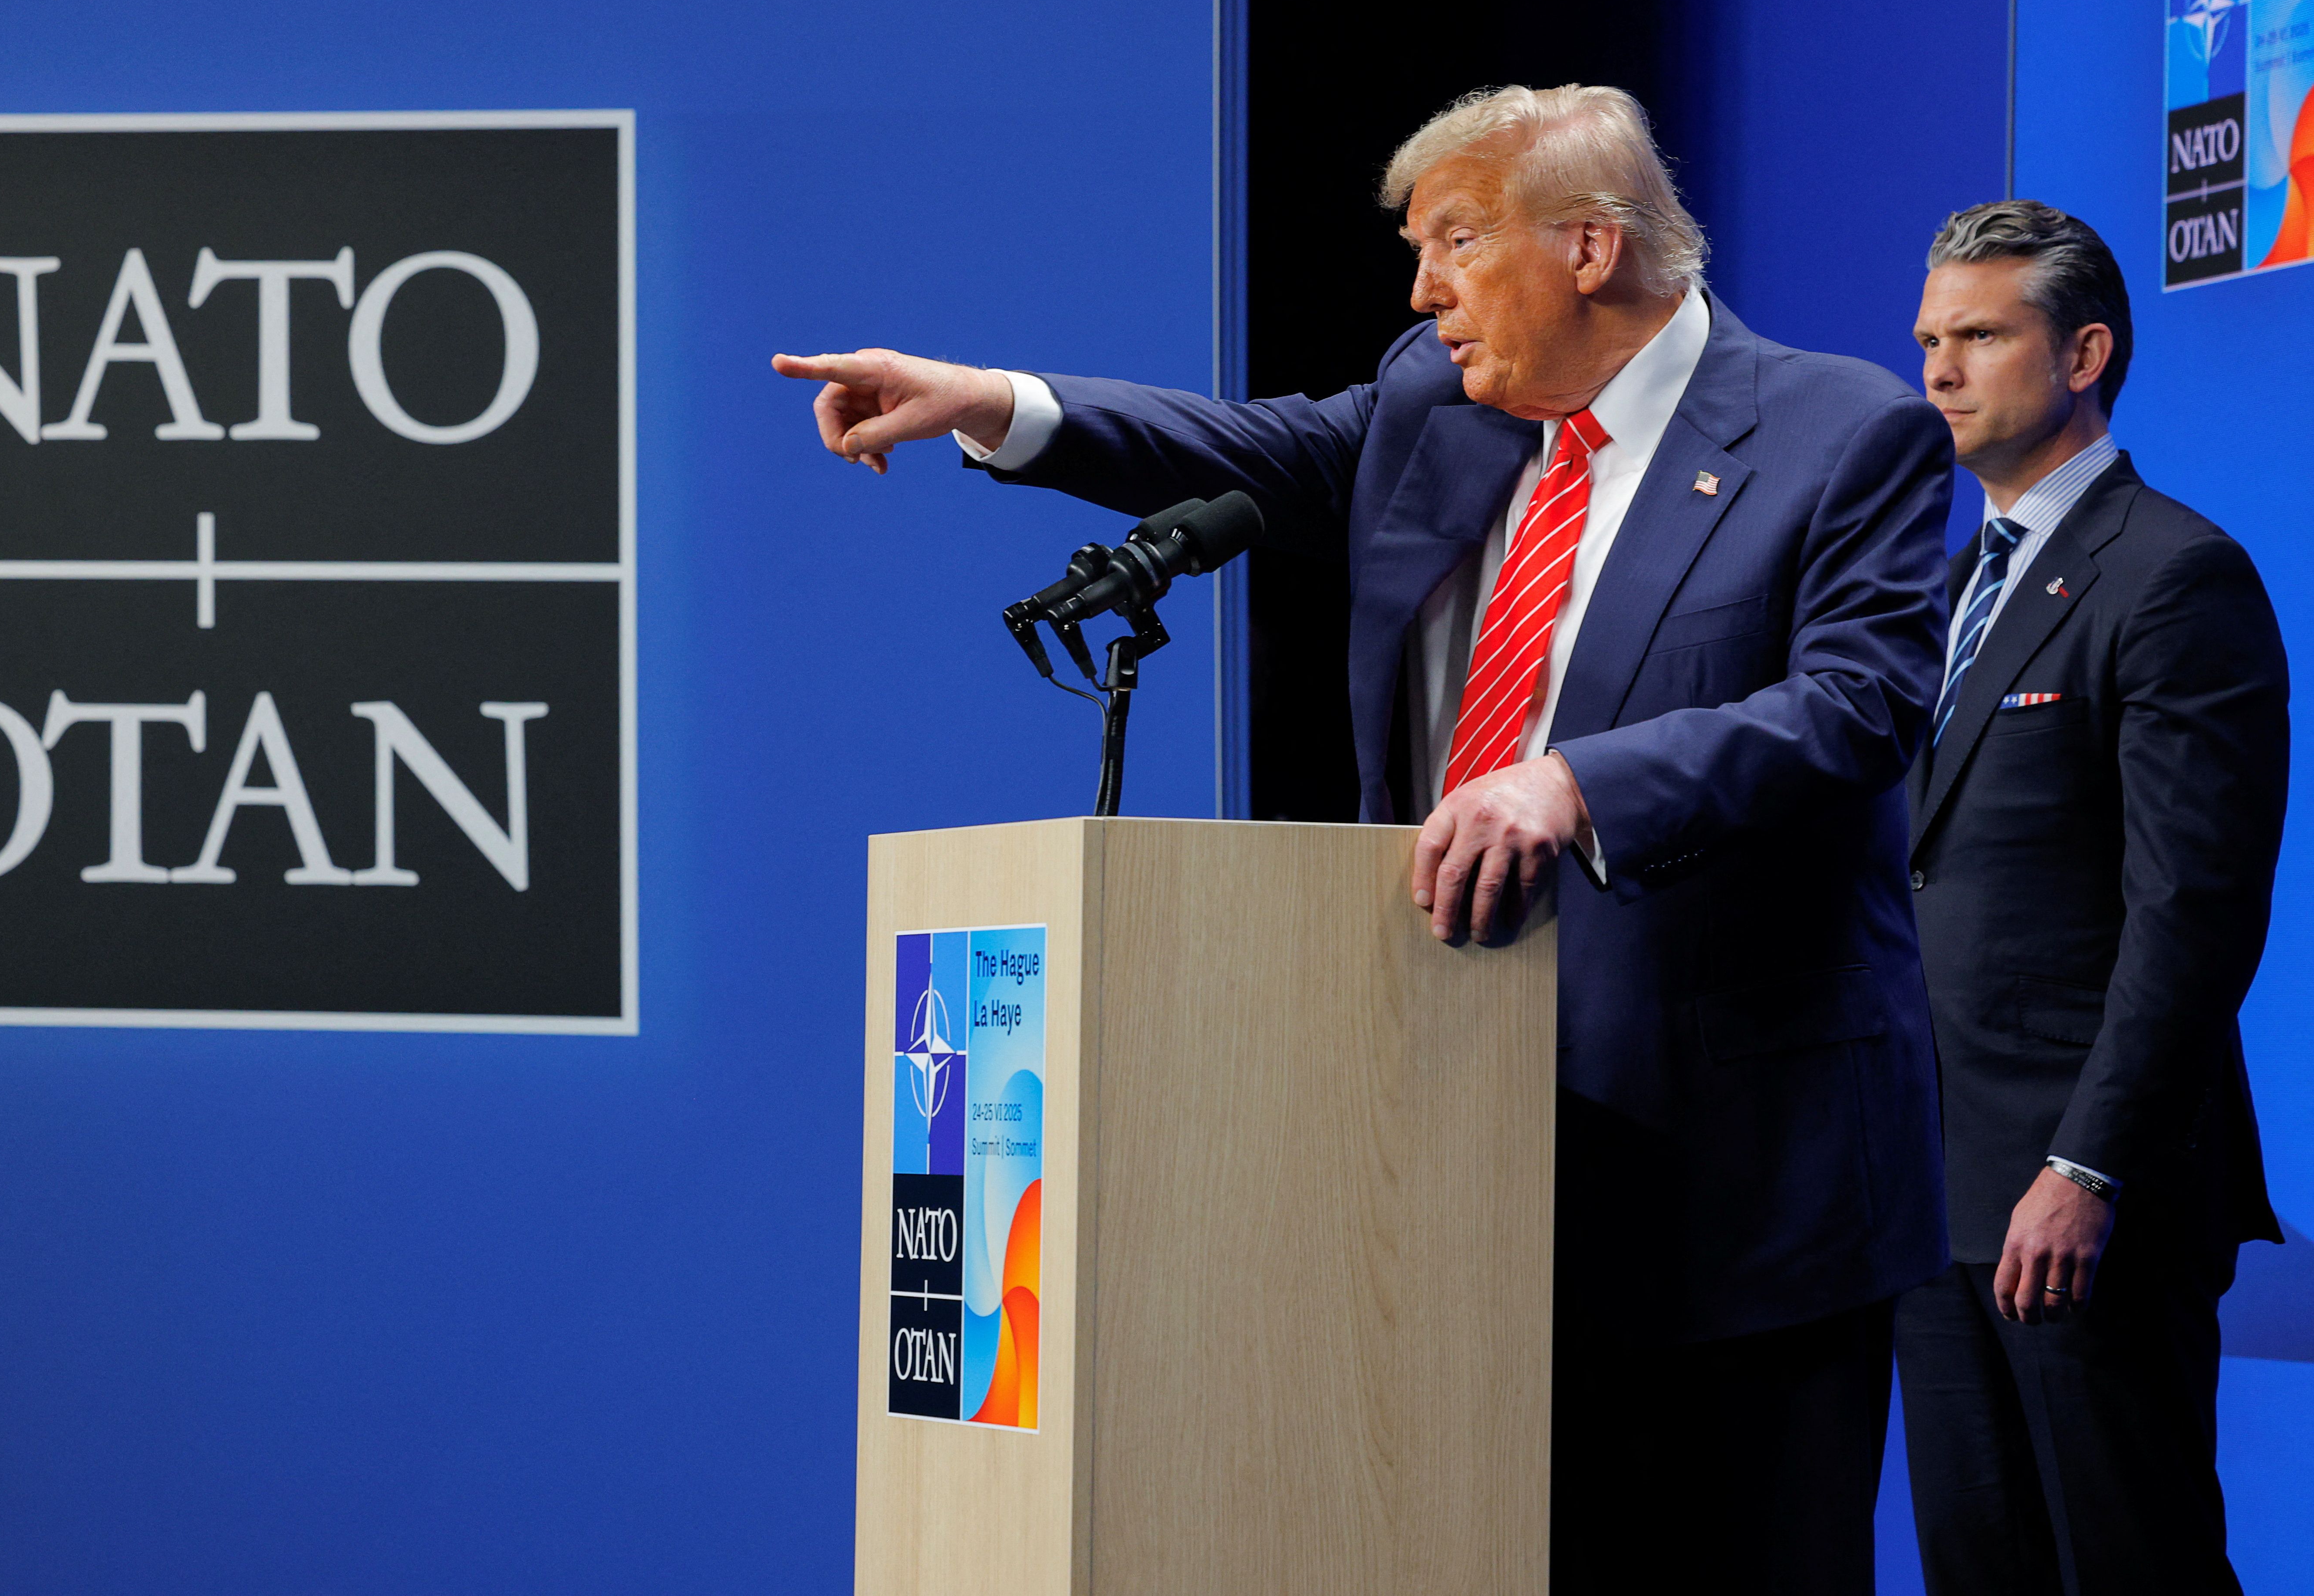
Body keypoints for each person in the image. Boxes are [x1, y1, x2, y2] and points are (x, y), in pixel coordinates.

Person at [777, 84, 1952, 1594]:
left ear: (1590, 246)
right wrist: (992, 402)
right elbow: (1251, 445)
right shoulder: (1436, 406)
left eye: (1456, 242)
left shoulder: (1835, 429)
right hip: (1443, 1140)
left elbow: (1861, 706)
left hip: (1732, 1182)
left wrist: (1575, 785)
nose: (1422, 291)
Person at [1897, 201, 2287, 1596]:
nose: (1938, 370)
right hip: (1934, 1200)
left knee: (2134, 1567)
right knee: (1977, 1566)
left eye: (1980, 336)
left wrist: (2084, 1167)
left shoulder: (2174, 574)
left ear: (2083, 354)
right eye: (1930, 339)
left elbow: (2191, 917)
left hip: (2084, 1203)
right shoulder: (1949, 589)